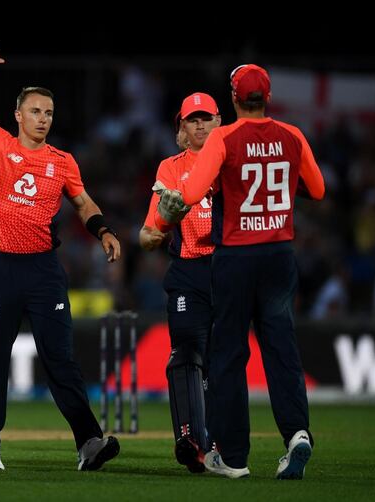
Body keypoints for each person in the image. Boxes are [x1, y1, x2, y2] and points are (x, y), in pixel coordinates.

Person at [0, 45, 121, 471]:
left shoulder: (62, 162)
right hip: (3, 267)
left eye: (49, 111)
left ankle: (88, 442)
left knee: (60, 357)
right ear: (18, 115)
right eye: (36, 110)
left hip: (44, 270)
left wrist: (103, 230)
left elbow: (83, 204)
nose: (44, 117)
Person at [156, 64, 325, 479]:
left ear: (232, 99)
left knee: (228, 356)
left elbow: (193, 193)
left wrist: (175, 198)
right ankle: (297, 434)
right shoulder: (293, 135)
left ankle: (232, 457)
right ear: (267, 98)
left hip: (235, 257)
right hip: (280, 255)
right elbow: (318, 190)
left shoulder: (224, 137)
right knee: (282, 350)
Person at [140, 92, 220, 473]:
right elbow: (146, 235)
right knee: (186, 352)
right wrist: (163, 226)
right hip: (189, 271)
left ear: (220, 122)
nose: (200, 124)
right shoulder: (171, 168)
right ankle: (190, 440)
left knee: (224, 359)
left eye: (206, 117)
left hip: (228, 269)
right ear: (182, 130)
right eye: (193, 119)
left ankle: (221, 442)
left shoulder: (232, 163)